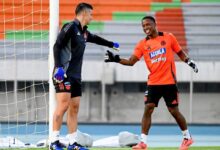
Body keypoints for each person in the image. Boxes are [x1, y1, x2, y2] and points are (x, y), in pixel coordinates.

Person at [104, 16, 198, 150]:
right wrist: (116, 59)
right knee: (148, 108)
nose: (146, 28)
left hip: (169, 82)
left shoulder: (168, 37)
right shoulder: (142, 44)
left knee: (174, 111)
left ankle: (187, 138)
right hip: (153, 82)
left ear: (155, 24)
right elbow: (131, 61)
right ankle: (143, 142)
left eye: (148, 24)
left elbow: (180, 52)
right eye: (143, 26)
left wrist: (190, 62)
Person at [50, 2, 120, 150]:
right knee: (62, 106)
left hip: (76, 76)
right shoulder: (70, 27)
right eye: (91, 14)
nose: (92, 18)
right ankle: (54, 142)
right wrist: (58, 68)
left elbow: (95, 38)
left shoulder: (84, 32)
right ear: (83, 13)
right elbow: (57, 45)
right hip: (63, 74)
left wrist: (111, 44)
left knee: (74, 108)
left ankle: (72, 143)